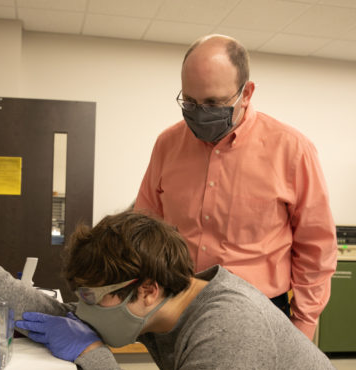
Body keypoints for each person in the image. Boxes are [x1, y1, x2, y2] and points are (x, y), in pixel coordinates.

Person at [0, 191, 345, 370]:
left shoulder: (227, 330)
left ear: (146, 291)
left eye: (90, 298)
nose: (81, 310)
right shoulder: (161, 307)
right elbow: (54, 315)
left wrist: (96, 359)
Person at [135, 34, 337, 339]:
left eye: (213, 103)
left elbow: (316, 245)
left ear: (246, 93)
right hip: (179, 306)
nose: (199, 112)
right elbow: (146, 224)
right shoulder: (167, 144)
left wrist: (304, 323)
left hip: (258, 313)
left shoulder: (292, 149)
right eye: (189, 101)